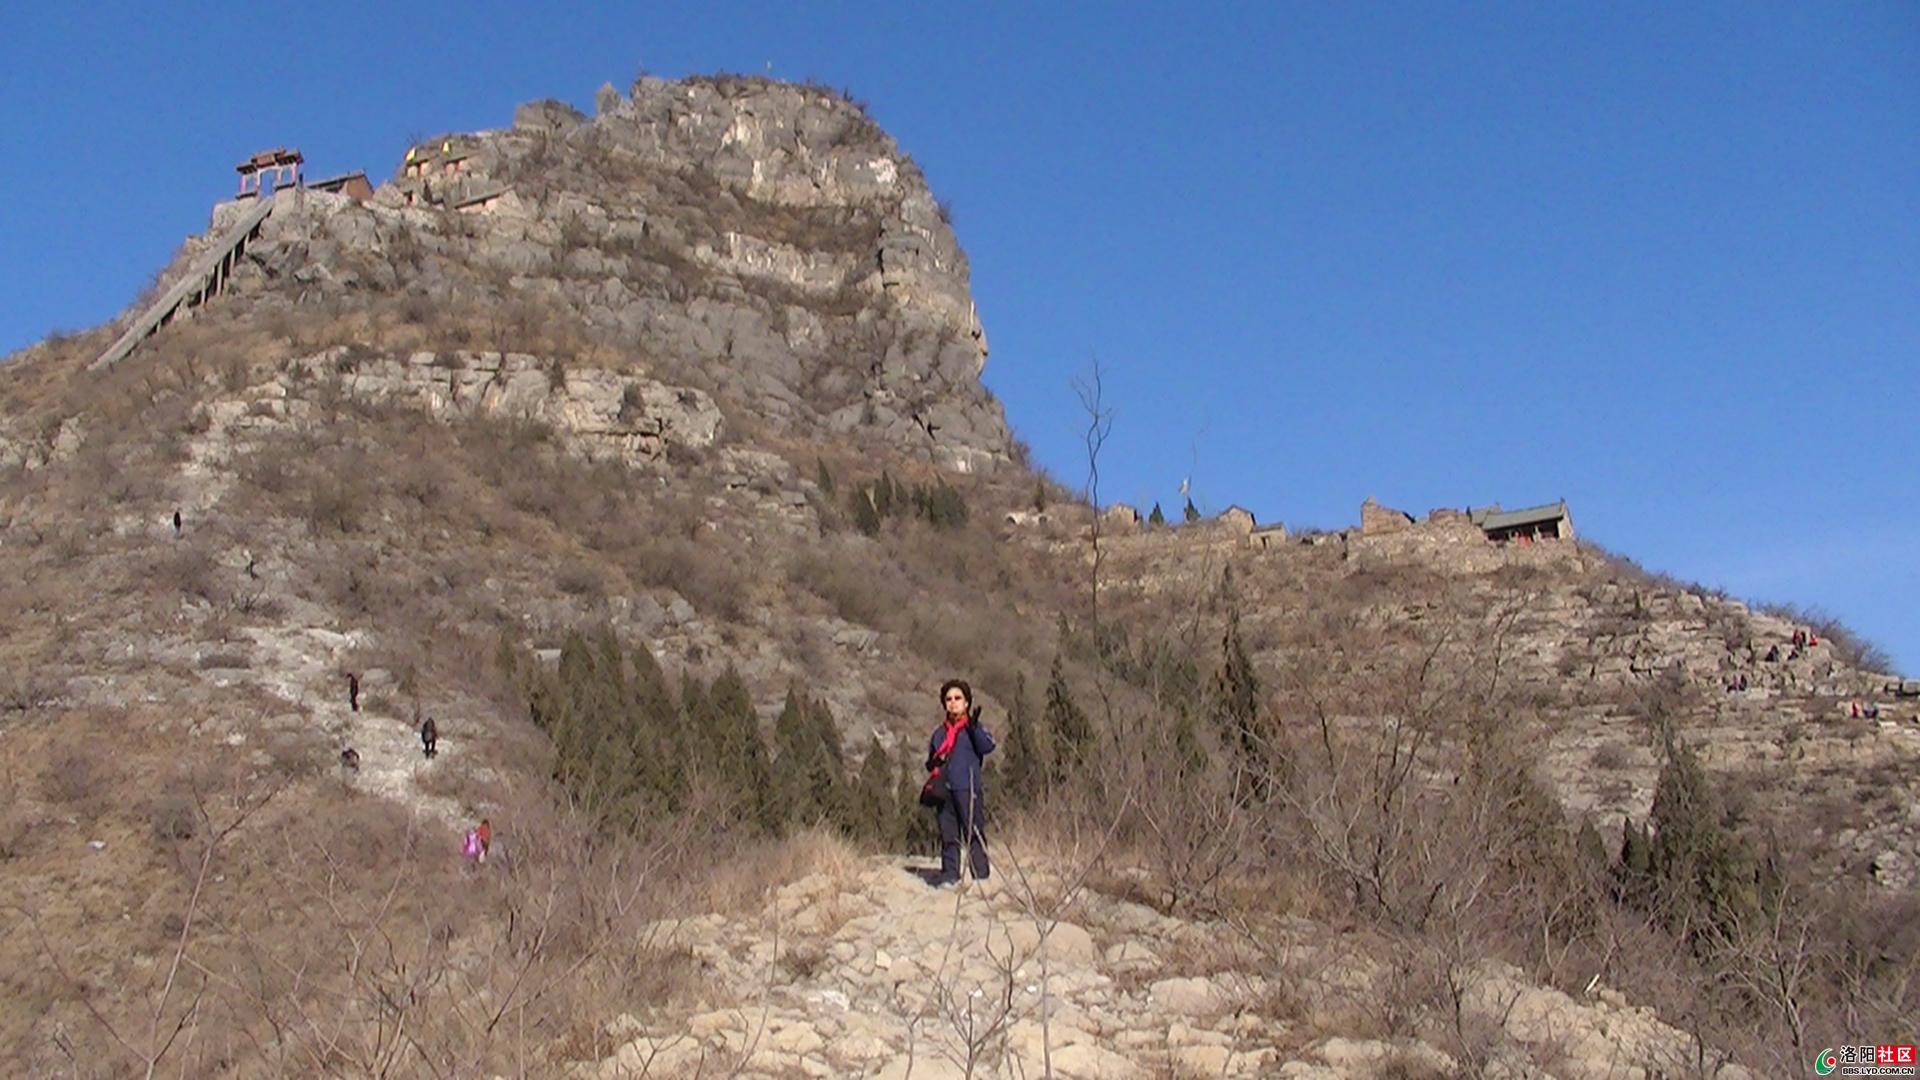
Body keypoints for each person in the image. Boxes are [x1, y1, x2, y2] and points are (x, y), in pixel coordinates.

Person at [925, 679, 995, 886]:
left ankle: (980, 876)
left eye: (958, 698)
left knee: (974, 833)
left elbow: (987, 747)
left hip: (968, 788)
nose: (953, 703)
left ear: (967, 703)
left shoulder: (973, 729)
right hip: (944, 792)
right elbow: (931, 762)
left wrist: (974, 728)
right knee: (948, 835)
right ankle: (950, 876)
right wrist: (933, 763)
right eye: (948, 699)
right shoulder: (939, 734)